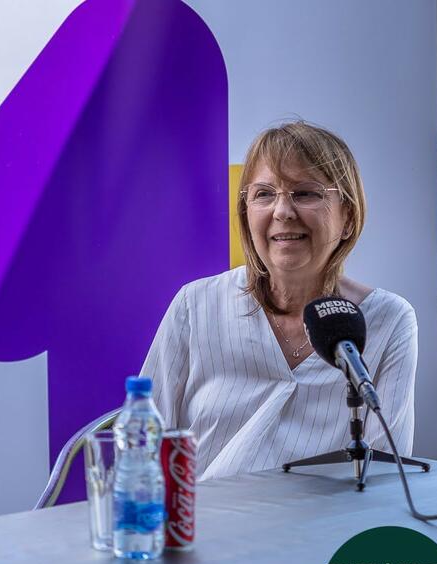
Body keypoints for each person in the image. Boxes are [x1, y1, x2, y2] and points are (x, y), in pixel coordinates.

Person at [140, 121, 418, 481]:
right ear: (246, 214)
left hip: (327, 518)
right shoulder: (196, 306)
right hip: (202, 515)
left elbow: (387, 473)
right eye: (264, 194)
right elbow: (142, 449)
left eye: (305, 193)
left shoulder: (389, 321)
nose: (283, 211)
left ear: (348, 216)